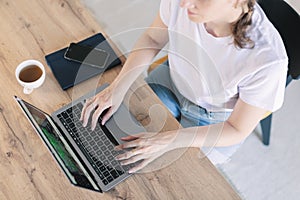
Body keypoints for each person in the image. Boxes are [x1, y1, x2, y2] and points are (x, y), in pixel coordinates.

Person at [80, 0, 288, 173]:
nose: (184, 3)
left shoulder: (268, 60)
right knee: (115, 138)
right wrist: (118, 87)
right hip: (172, 80)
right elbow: (153, 38)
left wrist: (169, 140)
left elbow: (237, 129)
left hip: (215, 120)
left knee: (170, 174)